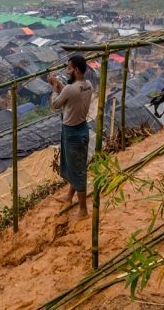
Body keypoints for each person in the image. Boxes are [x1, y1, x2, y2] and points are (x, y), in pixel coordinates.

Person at [48, 55, 93, 219]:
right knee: (75, 165)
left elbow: (55, 104)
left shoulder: (70, 89)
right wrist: (60, 86)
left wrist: (54, 86)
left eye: (69, 68)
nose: (67, 71)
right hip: (81, 129)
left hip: (71, 132)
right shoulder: (88, 85)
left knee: (77, 170)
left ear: (77, 70)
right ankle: (69, 195)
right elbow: (70, 97)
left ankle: (83, 210)